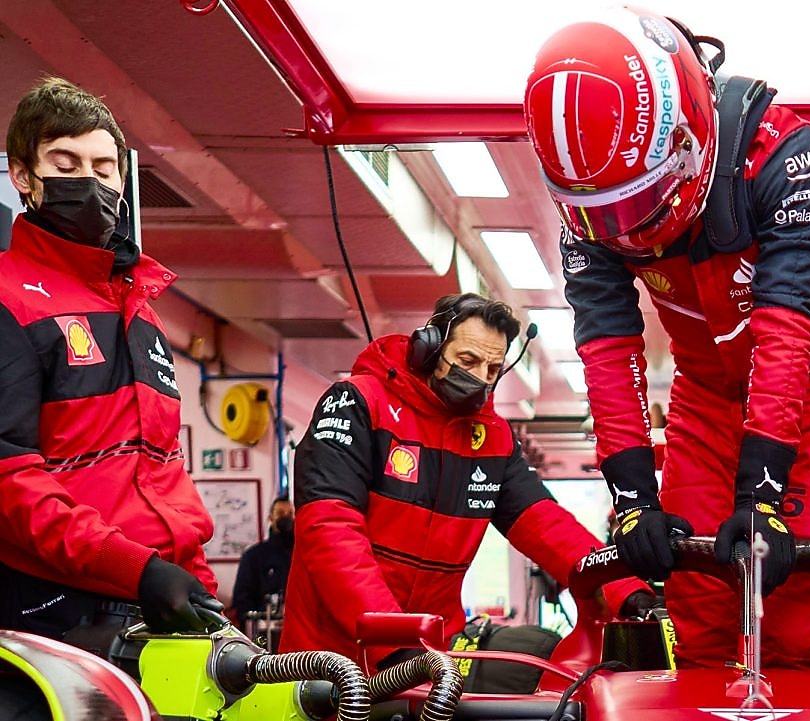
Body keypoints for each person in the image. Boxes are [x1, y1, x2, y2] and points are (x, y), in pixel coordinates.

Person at [523, 9, 810, 669]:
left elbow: (788, 333)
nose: (624, 230)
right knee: (696, 611)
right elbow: (607, 350)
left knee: (790, 618)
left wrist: (761, 494)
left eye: (635, 204)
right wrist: (631, 499)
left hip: (805, 395)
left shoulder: (789, 159)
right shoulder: (589, 213)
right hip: (701, 396)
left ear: (687, 139)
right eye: (605, 215)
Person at [279, 293, 652, 669]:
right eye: (467, 361)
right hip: (328, 659)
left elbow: (548, 527)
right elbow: (329, 531)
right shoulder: (357, 403)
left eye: (492, 370)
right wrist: (393, 639)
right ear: (427, 348)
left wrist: (627, 589)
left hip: (427, 660)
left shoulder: (493, 440)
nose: (478, 379)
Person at [0, 77, 220, 647]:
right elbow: (8, 479)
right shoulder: (7, 299)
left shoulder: (138, 307)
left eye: (103, 169)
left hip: (154, 605)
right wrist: (137, 568)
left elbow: (162, 467)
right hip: (53, 613)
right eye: (65, 163)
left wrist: (199, 586)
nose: (89, 183)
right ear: (23, 176)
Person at [232, 497, 294, 631]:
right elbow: (242, 599)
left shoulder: (302, 554)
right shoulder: (253, 556)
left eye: (290, 513)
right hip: (264, 631)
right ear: (271, 518)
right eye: (281, 513)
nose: (286, 517)